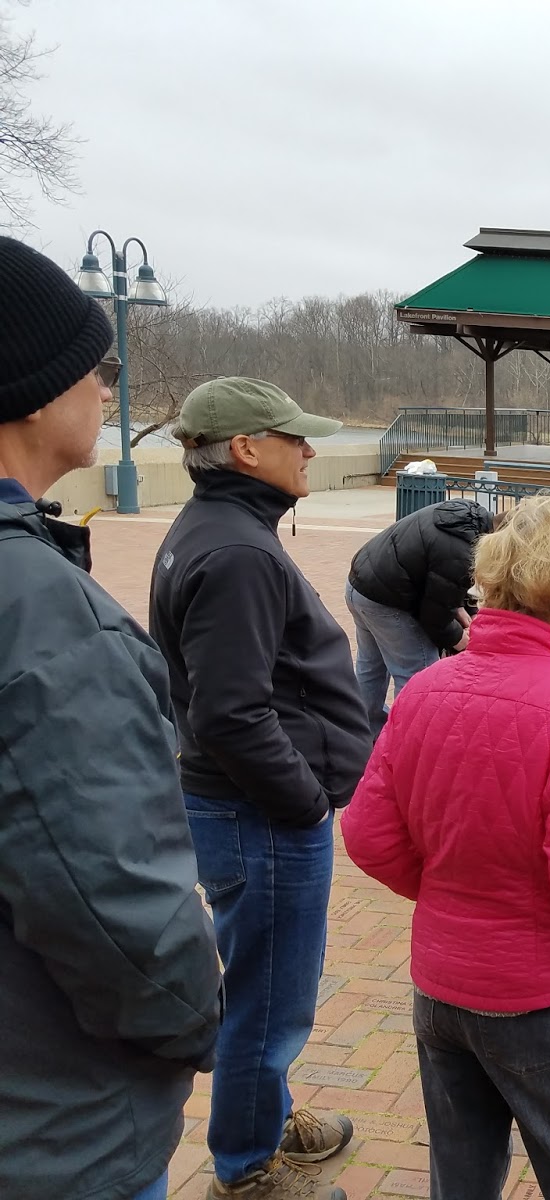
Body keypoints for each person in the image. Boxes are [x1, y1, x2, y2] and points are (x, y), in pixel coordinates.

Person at [344, 495, 550, 1200]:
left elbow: (366, 832)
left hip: (443, 981)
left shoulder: (426, 689)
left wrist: (453, 895)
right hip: (541, 994)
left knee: (462, 1175)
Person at [0, 236, 221, 1200]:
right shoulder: (40, 613)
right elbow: (112, 902)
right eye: (100, 365)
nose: (105, 386)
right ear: (35, 391)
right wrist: (194, 1015)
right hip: (55, 1131)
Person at [149, 377, 372, 1200]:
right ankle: (246, 1168)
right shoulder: (238, 549)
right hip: (260, 814)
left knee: (268, 987)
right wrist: (305, 801)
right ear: (246, 449)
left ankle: (264, 1114)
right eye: (295, 438)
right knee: (270, 1000)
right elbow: (232, 714)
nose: (309, 450)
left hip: (247, 808)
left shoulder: (222, 527)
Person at [346, 498, 494, 734]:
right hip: (385, 599)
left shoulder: (467, 519)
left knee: (371, 667)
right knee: (418, 673)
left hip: (361, 584)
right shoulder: (461, 553)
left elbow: (438, 581)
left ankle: (361, 733)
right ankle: (411, 740)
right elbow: (434, 617)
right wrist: (460, 639)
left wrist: (461, 612)